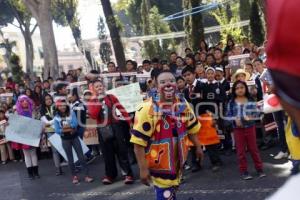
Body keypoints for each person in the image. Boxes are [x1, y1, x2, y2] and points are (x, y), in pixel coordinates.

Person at [131, 70, 203, 200]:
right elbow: (138, 143)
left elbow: (191, 127)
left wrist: (198, 146)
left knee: (172, 189)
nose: (168, 85)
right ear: (156, 86)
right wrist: (142, 169)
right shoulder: (147, 108)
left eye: (171, 81)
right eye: (163, 82)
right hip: (159, 164)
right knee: (165, 194)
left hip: (178, 161)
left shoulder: (182, 103)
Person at [88, 79, 134, 185]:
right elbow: (93, 115)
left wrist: (129, 122)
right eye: (97, 87)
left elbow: (121, 109)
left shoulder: (111, 97)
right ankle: (110, 175)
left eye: (100, 86)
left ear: (104, 87)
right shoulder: (92, 101)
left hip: (116, 127)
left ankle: (128, 174)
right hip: (103, 130)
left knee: (121, 151)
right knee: (107, 154)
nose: (99, 88)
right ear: (94, 89)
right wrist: (99, 101)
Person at [226, 81, 266, 180]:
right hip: (238, 130)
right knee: (241, 152)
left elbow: (256, 114)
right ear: (234, 90)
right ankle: (244, 171)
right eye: (237, 88)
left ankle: (259, 169)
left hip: (250, 128)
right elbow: (227, 116)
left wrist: (250, 117)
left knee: (254, 149)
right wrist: (235, 119)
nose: (240, 90)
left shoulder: (250, 100)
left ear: (246, 89)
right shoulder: (231, 102)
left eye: (242, 87)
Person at [53, 99, 94, 184]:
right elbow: (57, 130)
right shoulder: (56, 117)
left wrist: (68, 127)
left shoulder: (71, 113)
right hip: (65, 139)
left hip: (75, 137)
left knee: (81, 156)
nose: (62, 107)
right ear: (57, 107)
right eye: (60, 105)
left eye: (64, 105)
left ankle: (87, 175)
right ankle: (74, 176)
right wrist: (65, 130)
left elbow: (75, 123)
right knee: (70, 159)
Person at [11, 95, 40, 179]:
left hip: (32, 134)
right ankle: (30, 173)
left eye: (26, 100)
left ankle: (36, 172)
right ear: (19, 103)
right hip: (23, 135)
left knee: (33, 153)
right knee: (26, 154)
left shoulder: (33, 111)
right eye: (22, 101)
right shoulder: (17, 112)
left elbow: (37, 121)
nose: (24, 102)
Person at [182, 66, 204, 172]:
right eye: (185, 76)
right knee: (192, 142)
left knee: (209, 140)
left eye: (189, 74)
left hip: (204, 117)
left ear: (194, 74)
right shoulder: (185, 90)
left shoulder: (202, 85)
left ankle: (215, 161)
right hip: (191, 119)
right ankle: (195, 163)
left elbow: (210, 101)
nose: (187, 77)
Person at [40, 94, 63, 176]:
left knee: (64, 148)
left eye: (50, 98)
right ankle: (58, 168)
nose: (49, 100)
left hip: (61, 130)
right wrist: (54, 120)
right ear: (44, 101)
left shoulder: (56, 106)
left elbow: (60, 117)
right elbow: (46, 122)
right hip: (50, 131)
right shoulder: (42, 109)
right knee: (55, 151)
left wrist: (51, 122)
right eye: (46, 99)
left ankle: (73, 165)